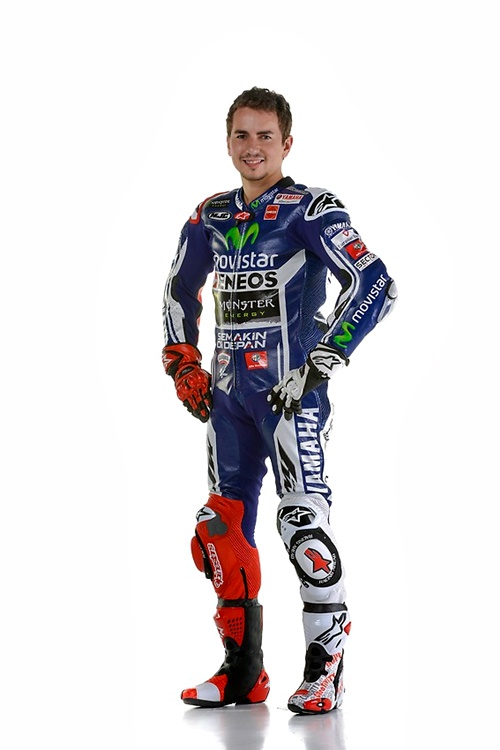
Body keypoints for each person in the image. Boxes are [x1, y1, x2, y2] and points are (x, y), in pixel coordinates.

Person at [162, 86, 397, 715]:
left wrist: (323, 359)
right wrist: (182, 361)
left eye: (265, 135)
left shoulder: (311, 209)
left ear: (286, 143)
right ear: (227, 142)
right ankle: (244, 672)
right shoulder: (209, 215)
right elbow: (179, 289)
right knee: (222, 533)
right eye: (242, 135)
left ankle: (326, 671)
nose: (253, 147)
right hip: (226, 401)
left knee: (302, 527)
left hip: (292, 399)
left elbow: (375, 283)